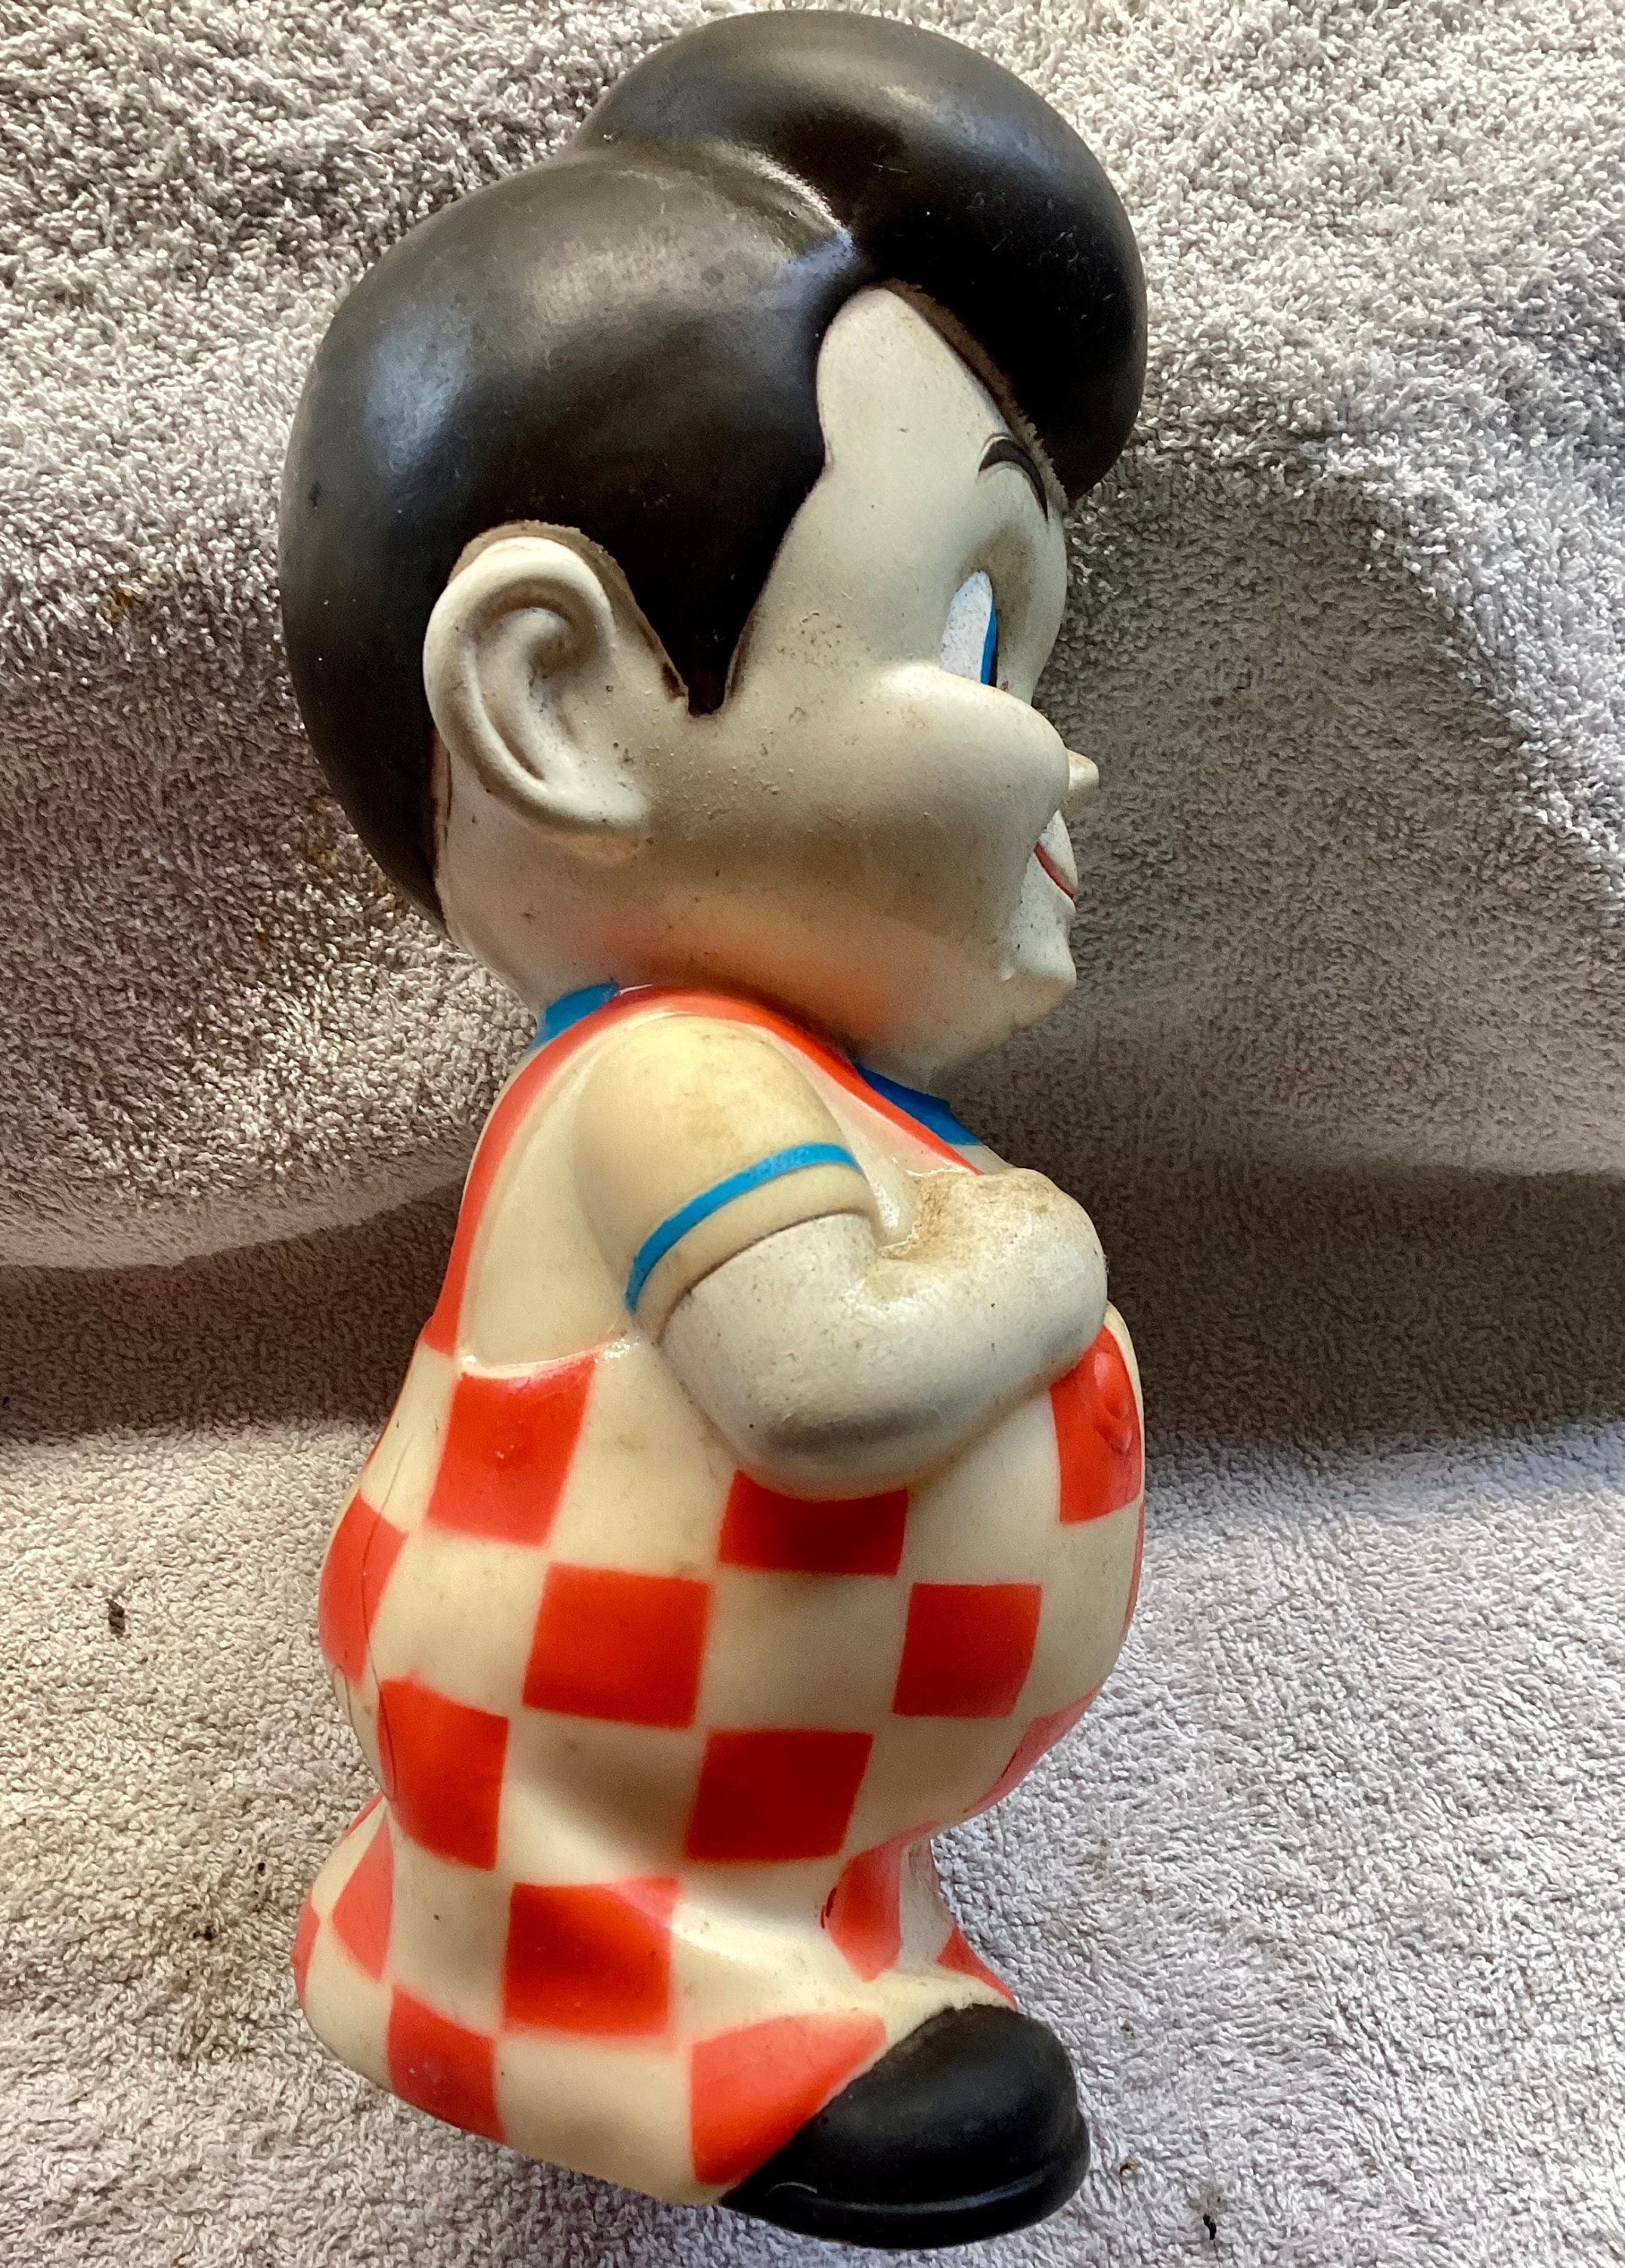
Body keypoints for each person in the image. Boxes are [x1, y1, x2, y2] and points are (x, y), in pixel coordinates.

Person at [279, 11, 1147, 2246]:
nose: (1063, 761)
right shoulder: (670, 1077)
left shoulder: (804, 1081)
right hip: (594, 1814)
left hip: (778, 1827)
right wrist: (1047, 1253)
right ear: (561, 703)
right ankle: (584, 2002)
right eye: (976, 630)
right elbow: (823, 1385)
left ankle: (815, 1940)